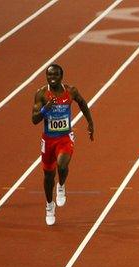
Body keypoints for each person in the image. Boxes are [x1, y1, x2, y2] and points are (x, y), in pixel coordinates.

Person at [32, 63, 94, 225]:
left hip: (65, 137)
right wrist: (46, 108)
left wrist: (90, 122)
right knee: (48, 176)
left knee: (62, 166)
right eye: (49, 75)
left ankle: (61, 186)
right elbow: (34, 120)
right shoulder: (41, 94)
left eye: (55, 75)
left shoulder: (70, 91)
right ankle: (49, 205)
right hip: (48, 140)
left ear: (61, 76)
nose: (52, 78)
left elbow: (82, 103)